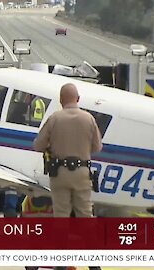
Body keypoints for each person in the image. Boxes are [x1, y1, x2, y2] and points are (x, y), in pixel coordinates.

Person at [33, 83, 103, 218]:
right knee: (85, 213)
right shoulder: (88, 118)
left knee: (61, 213)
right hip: (82, 172)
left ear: (61, 99)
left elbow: (38, 146)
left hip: (59, 172)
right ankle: (89, 239)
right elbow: (97, 147)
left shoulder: (54, 118)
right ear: (78, 98)